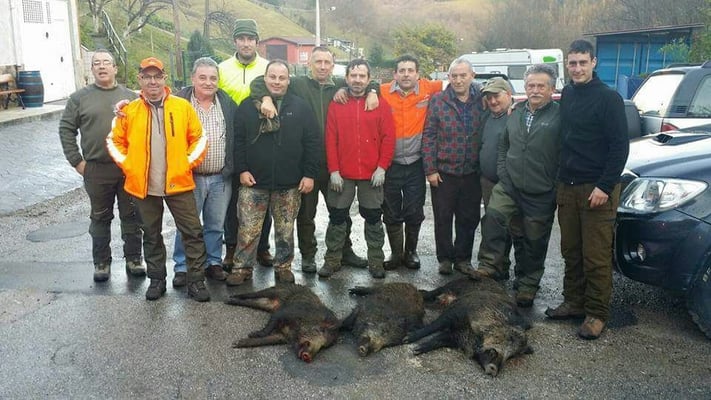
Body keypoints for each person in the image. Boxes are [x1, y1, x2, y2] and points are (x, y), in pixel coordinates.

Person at [249, 46, 374, 273]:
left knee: (340, 211)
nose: (322, 66)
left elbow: (368, 84)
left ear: (333, 65)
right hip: (306, 163)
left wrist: (373, 91)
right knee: (306, 215)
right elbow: (259, 82)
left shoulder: (341, 84)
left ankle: (344, 251)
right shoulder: (297, 84)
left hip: (336, 164)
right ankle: (308, 255)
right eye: (318, 62)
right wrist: (266, 98)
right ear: (310, 64)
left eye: (327, 62)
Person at [106, 56, 211, 302]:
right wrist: (129, 166)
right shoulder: (128, 111)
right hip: (144, 187)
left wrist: (185, 163)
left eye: (157, 76)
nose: (152, 81)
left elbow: (200, 138)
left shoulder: (182, 107)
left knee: (193, 233)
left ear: (164, 78)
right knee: (151, 235)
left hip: (179, 183)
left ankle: (196, 281)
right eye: (147, 77)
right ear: (139, 79)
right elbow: (113, 141)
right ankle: (157, 280)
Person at [545, 39, 629, 340]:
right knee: (571, 251)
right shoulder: (568, 94)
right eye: (572, 63)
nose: (577, 68)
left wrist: (604, 186)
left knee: (595, 256)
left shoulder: (609, 99)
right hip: (567, 185)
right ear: (567, 65)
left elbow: (620, 147)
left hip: (597, 189)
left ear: (594, 62)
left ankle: (596, 313)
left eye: (583, 62)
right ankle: (574, 302)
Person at [227, 60, 320, 285]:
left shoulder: (301, 107)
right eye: (272, 77)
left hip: (289, 183)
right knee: (248, 229)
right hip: (253, 181)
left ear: (289, 80)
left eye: (282, 78)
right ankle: (242, 268)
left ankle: (283, 267)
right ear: (265, 78)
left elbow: (312, 142)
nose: (277, 82)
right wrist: (242, 170)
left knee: (285, 230)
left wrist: (309, 174)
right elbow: (238, 141)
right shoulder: (247, 107)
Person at [476, 65, 561, 308]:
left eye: (541, 86)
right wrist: (504, 173)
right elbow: (504, 146)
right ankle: (488, 265)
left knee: (534, 240)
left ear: (551, 89)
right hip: (510, 184)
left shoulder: (559, 116)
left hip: (541, 190)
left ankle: (527, 284)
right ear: (524, 88)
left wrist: (553, 183)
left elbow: (565, 153)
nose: (535, 90)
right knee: (493, 217)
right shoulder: (516, 113)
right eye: (531, 85)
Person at [58, 49, 144, 282]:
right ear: (92, 69)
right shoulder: (79, 98)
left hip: (127, 169)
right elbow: (66, 129)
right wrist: (77, 161)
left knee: (132, 216)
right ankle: (102, 262)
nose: (102, 66)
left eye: (107, 62)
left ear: (115, 68)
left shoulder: (132, 98)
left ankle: (134, 259)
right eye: (97, 63)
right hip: (96, 170)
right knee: (100, 217)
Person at [320, 59, 395, 279]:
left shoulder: (380, 104)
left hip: (372, 175)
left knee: (373, 218)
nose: (357, 80)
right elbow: (330, 140)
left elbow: (388, 138)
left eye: (362, 76)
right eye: (353, 75)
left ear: (369, 79)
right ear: (346, 78)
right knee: (337, 216)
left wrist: (382, 167)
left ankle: (376, 261)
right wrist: (333, 170)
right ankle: (332, 260)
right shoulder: (337, 104)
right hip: (342, 174)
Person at [170, 57, 237, 288]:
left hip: (220, 177)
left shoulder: (227, 103)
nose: (208, 82)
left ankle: (212, 262)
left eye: (213, 78)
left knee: (215, 225)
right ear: (193, 78)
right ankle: (182, 266)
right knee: (187, 225)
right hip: (190, 177)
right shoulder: (178, 102)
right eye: (203, 77)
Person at [218, 18, 273, 269]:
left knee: (263, 196)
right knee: (232, 200)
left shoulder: (268, 67)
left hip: (261, 139)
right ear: (235, 41)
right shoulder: (222, 68)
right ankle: (231, 247)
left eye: (250, 39)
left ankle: (262, 247)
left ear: (257, 42)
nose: (246, 43)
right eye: (241, 38)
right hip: (230, 140)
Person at [421, 57, 484, 276]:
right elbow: (429, 135)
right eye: (454, 76)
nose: (458, 80)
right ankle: (445, 258)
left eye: (463, 75)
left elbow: (503, 101)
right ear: (448, 77)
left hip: (472, 172)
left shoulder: (482, 99)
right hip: (444, 172)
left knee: (469, 218)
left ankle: (463, 259)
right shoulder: (438, 100)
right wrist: (430, 169)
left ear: (472, 76)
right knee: (443, 217)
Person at [380, 55, 442, 271]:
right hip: (390, 164)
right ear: (395, 74)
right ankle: (396, 253)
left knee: (414, 211)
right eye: (402, 71)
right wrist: (368, 91)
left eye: (410, 70)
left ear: (418, 74)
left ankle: (411, 252)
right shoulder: (382, 91)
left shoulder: (428, 88)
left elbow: (457, 82)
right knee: (390, 210)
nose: (406, 74)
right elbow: (362, 86)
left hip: (416, 163)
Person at [475, 77, 524, 281]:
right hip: (489, 181)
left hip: (512, 183)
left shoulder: (518, 115)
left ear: (508, 94)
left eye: (496, 96)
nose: (493, 101)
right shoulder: (487, 117)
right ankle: (498, 267)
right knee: (493, 226)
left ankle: (523, 275)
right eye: (489, 98)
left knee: (517, 228)